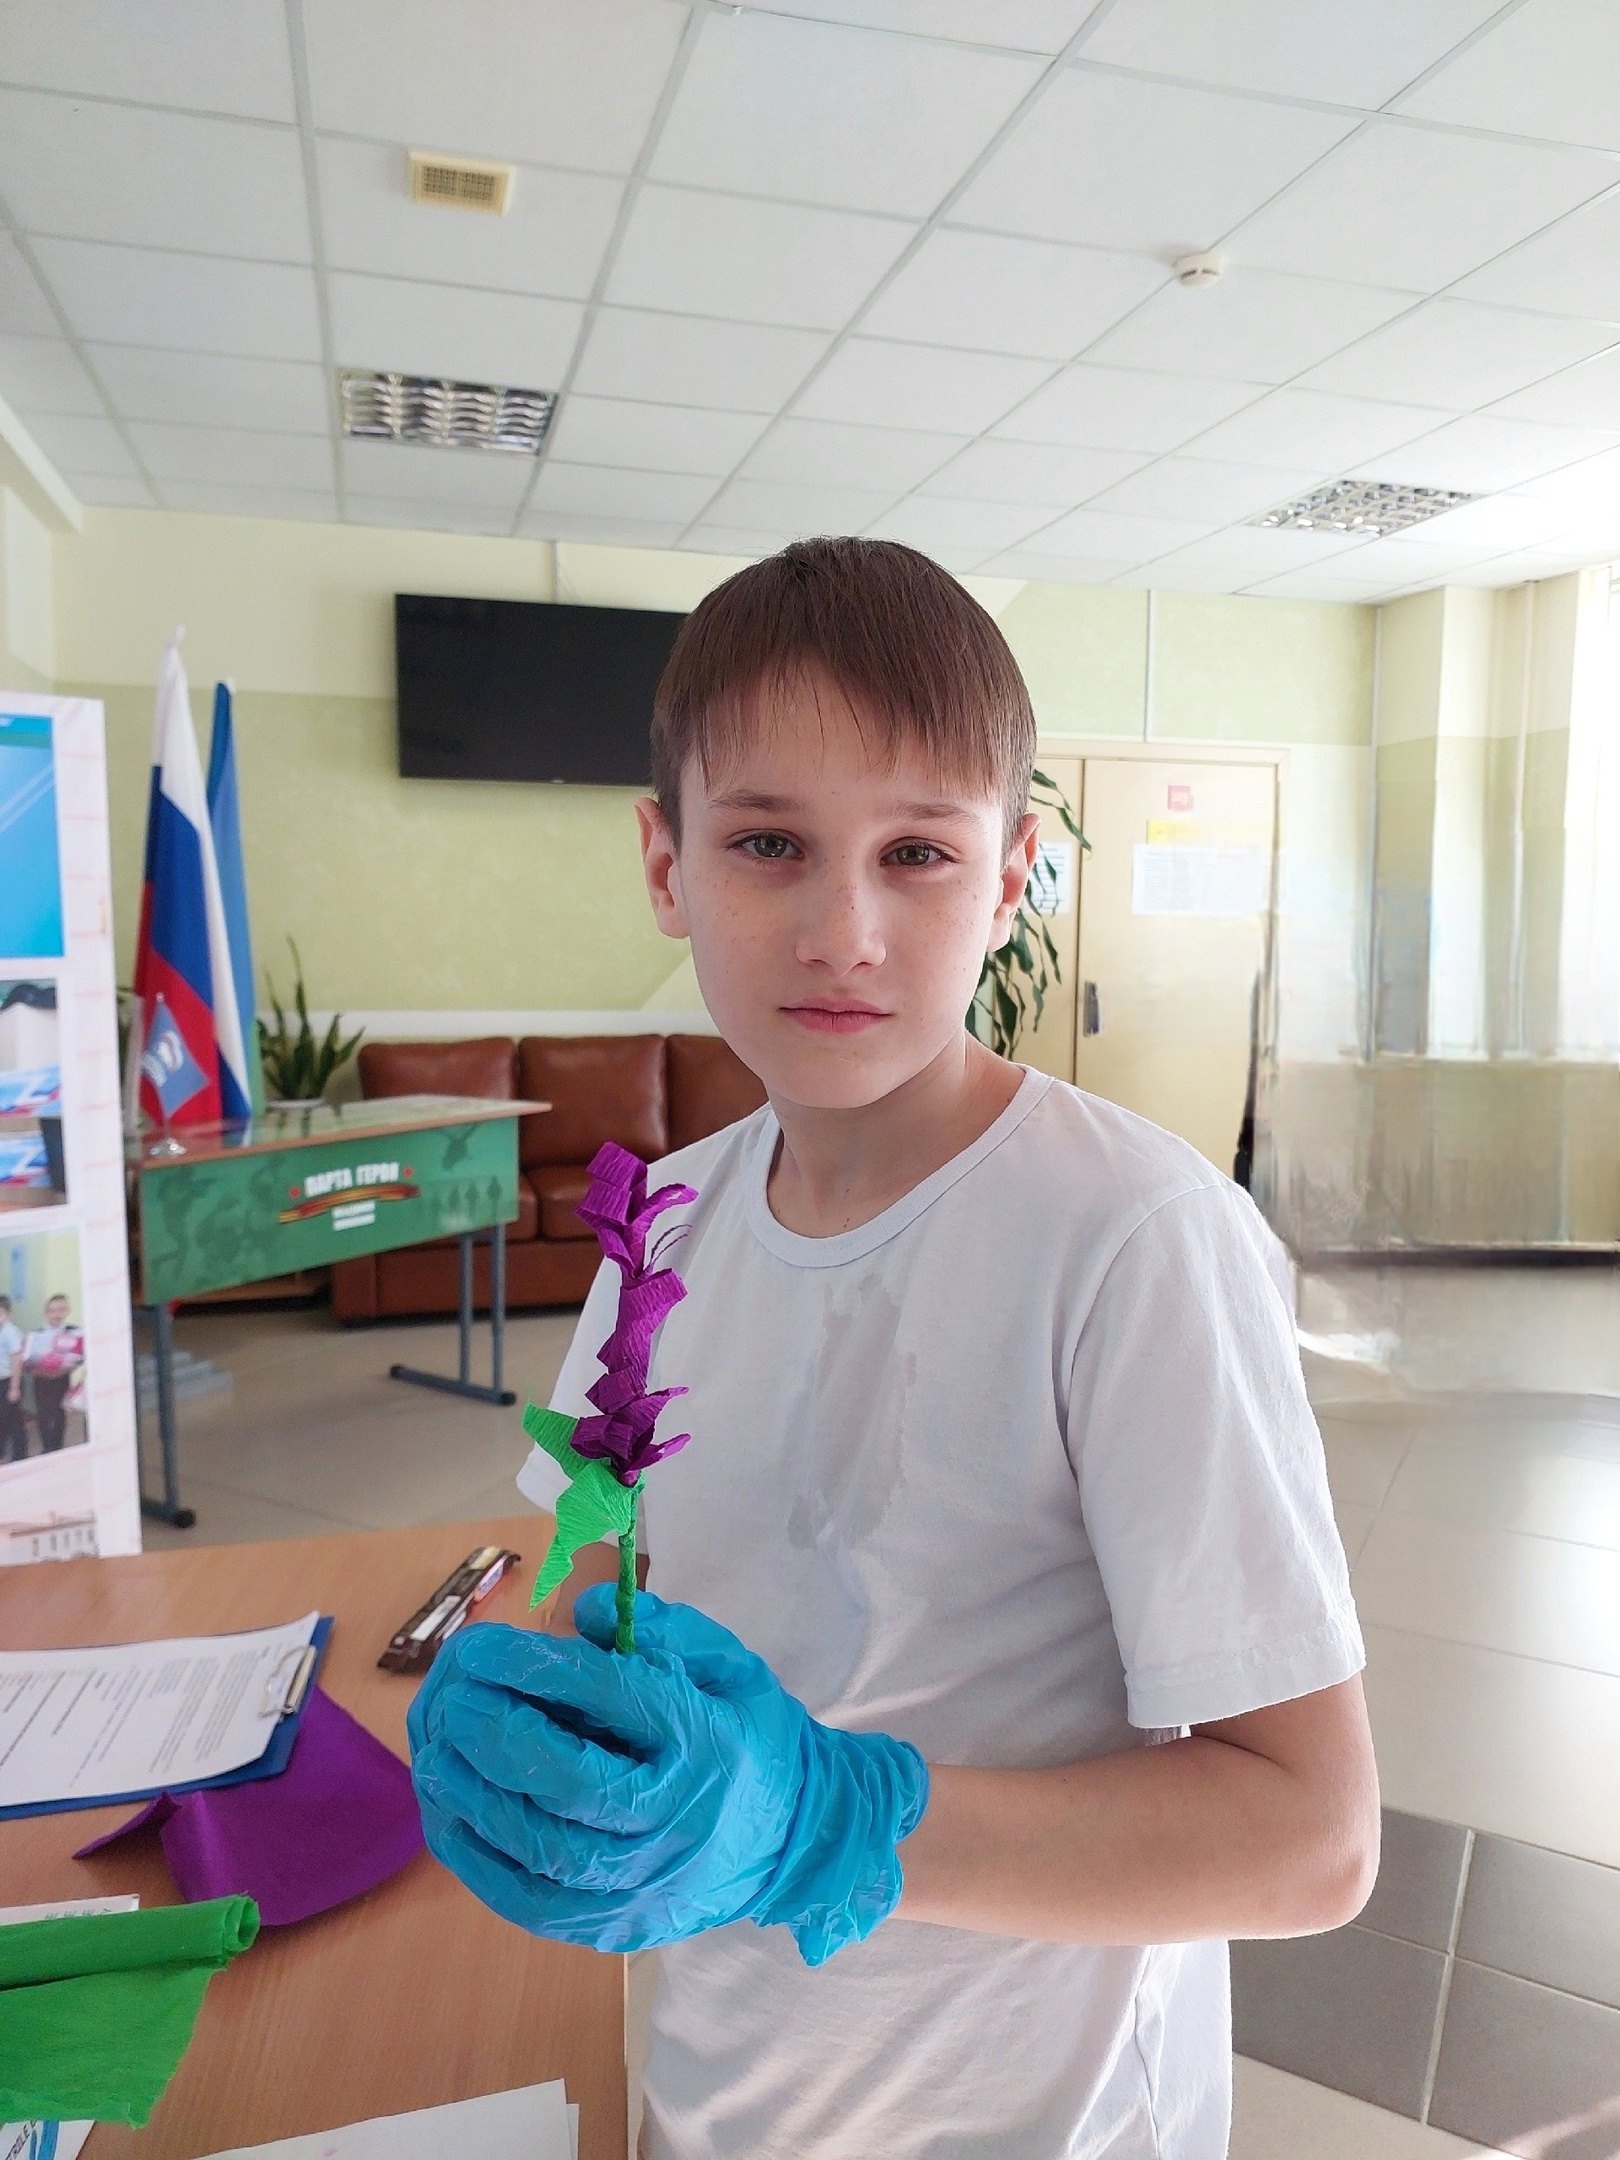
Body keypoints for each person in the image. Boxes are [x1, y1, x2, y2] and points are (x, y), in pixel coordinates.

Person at [408, 538, 1379, 2160]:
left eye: (917, 852)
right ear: (666, 865)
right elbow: (591, 1575)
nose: (842, 930)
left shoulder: (1133, 1239)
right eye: (768, 843)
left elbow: (1312, 1839)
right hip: (720, 2091)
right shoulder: (666, 1227)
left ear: (1009, 881)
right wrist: (535, 1727)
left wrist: (828, 1822)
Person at [21, 1292, 84, 1454]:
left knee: (59, 1413)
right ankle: (47, 1447)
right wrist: (38, 1369)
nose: (56, 1314)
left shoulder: (75, 1332)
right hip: (40, 1380)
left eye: (61, 1309)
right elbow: (25, 1363)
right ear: (45, 1313)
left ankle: (58, 1446)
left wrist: (65, 1368)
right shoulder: (35, 1335)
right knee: (43, 1414)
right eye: (52, 1310)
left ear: (67, 1310)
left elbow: (81, 1357)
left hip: (62, 1378)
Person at [0, 1295, 25, 1463]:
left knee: (12, 1420)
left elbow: (17, 1361)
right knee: (4, 1418)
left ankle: (20, 1455)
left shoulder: (11, 1332)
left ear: (8, 1313)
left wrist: (14, 1388)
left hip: (10, 1381)